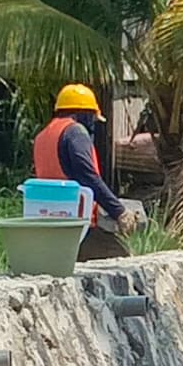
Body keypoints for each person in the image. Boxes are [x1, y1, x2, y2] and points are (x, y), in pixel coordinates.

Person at [32, 81, 139, 259]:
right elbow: (87, 177)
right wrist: (119, 211)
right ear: (85, 115)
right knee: (123, 259)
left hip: (49, 223)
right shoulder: (75, 132)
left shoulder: (43, 135)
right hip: (78, 225)